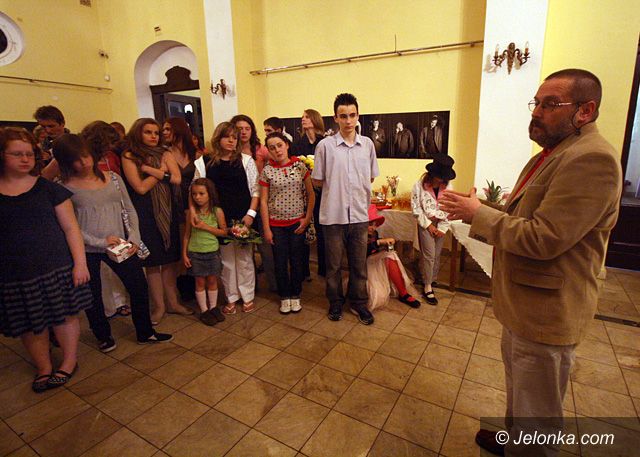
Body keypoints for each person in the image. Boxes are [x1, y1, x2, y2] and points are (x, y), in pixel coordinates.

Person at [440, 69, 623, 457]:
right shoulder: (554, 154)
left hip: (548, 311)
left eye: (550, 104)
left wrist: (477, 214)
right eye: (536, 102)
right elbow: (524, 217)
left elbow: (545, 237)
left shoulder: (592, 159)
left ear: (585, 110)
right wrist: (478, 208)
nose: (537, 112)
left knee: (537, 415)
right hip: (526, 305)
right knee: (521, 395)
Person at [54, 134, 172, 350]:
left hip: (120, 244)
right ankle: (103, 335)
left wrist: (134, 237)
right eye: (76, 160)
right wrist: (100, 242)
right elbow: (68, 226)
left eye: (86, 156)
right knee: (92, 294)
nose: (84, 162)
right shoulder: (62, 186)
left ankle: (145, 331)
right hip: (85, 249)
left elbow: (129, 209)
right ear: (66, 162)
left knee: (138, 286)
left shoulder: (113, 178)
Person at [0, 127, 92, 392]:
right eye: (17, 154)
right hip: (14, 272)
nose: (25, 159)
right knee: (30, 324)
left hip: (55, 266)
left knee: (64, 316)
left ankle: (69, 361)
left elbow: (71, 228)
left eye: (29, 153)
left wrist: (80, 264)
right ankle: (43, 366)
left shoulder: (48, 189)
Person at [312, 93, 379, 325]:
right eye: (343, 116)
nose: (348, 120)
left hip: (359, 216)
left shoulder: (367, 145)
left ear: (358, 115)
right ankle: (335, 302)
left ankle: (359, 303)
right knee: (333, 266)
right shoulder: (325, 146)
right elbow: (317, 180)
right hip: (333, 215)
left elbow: (370, 177)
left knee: (359, 264)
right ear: (335, 118)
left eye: (352, 115)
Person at [121, 118, 192, 324]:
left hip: (168, 211)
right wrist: (161, 172)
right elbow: (140, 188)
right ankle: (159, 307)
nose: (153, 136)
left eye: (156, 133)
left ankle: (173, 303)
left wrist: (150, 170)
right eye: (148, 132)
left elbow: (177, 178)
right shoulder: (130, 155)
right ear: (138, 133)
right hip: (145, 212)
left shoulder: (165, 152)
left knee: (169, 260)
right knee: (152, 263)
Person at [203, 122, 259, 314]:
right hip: (219, 218)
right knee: (226, 261)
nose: (231, 141)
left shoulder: (246, 160)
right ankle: (231, 297)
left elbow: (256, 191)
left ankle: (247, 296)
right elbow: (199, 188)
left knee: (244, 258)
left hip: (243, 216)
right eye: (227, 137)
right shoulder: (207, 162)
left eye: (234, 137)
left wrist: (250, 215)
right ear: (218, 139)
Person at [260, 132, 315, 314]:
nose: (277, 150)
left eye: (279, 145)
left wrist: (306, 218)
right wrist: (266, 228)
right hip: (276, 225)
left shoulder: (300, 167)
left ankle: (296, 294)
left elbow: (311, 194)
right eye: (272, 148)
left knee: (297, 261)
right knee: (280, 262)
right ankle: (284, 296)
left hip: (297, 223)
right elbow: (263, 201)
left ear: (287, 145)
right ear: (269, 151)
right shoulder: (267, 170)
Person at [231, 114, 277, 292]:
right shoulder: (230, 151)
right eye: (239, 129)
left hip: (262, 201)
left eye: (247, 128)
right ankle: (251, 288)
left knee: (266, 249)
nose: (243, 132)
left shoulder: (260, 150)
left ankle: (274, 285)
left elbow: (275, 165)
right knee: (245, 250)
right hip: (242, 204)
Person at [411, 153, 456, 305]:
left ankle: (431, 278)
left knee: (436, 254)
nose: (441, 179)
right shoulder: (419, 186)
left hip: (441, 222)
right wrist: (428, 225)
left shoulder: (448, 187)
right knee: (429, 255)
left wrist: (442, 228)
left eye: (443, 177)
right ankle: (427, 286)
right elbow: (416, 208)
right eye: (439, 176)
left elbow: (449, 207)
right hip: (426, 222)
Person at [183, 178, 227, 326]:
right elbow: (187, 234)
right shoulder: (191, 213)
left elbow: (223, 231)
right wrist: (184, 254)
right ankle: (204, 310)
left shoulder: (217, 211)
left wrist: (205, 227)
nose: (198, 197)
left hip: (212, 251)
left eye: (201, 193)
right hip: (195, 252)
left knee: (212, 280)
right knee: (200, 281)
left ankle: (213, 307)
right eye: (194, 194)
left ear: (209, 194)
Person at [291, 109, 327, 278]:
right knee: (303, 230)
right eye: (302, 117)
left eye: (307, 117)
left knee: (323, 231)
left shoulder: (325, 143)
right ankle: (303, 271)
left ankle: (324, 269)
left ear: (315, 119)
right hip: (303, 194)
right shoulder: (297, 144)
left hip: (323, 194)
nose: (303, 119)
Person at [366, 204, 420, 310]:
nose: (373, 227)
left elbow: (374, 248)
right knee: (378, 297)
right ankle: (403, 293)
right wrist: (379, 242)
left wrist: (383, 245)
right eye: (370, 224)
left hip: (372, 261)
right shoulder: (357, 234)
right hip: (363, 266)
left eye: (375, 225)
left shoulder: (374, 233)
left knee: (391, 255)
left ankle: (403, 293)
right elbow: (362, 251)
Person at [34, 105, 70, 179]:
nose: (48, 130)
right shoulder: (40, 147)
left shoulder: (74, 144)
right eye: (43, 126)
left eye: (51, 126)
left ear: (62, 123)